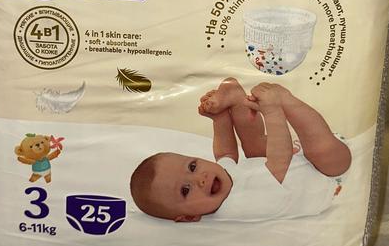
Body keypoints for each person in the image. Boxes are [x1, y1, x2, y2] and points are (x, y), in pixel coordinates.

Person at [130, 78, 351, 223]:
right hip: (327, 177)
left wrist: (219, 118)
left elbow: (225, 153)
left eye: (193, 166)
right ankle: (286, 99)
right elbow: (280, 161)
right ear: (189, 217)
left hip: (291, 159)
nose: (200, 178)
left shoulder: (220, 184)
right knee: (320, 150)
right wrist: (273, 111)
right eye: (185, 190)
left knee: (254, 147)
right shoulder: (239, 207)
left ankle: (236, 99)